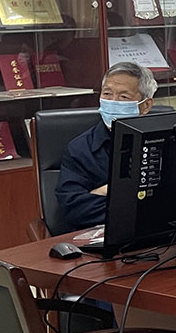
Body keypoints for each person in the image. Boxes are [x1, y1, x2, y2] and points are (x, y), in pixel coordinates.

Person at [53, 61, 156, 233]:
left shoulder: (164, 139)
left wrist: (106, 193)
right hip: (103, 236)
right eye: (107, 94)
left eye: (123, 97)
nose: (113, 101)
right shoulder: (81, 149)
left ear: (146, 105)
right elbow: (75, 209)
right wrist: (136, 202)